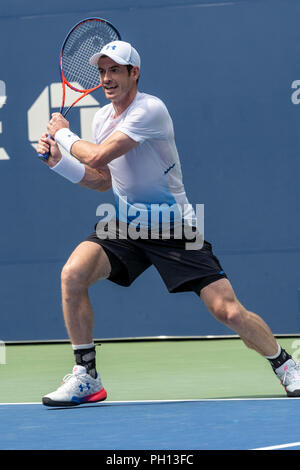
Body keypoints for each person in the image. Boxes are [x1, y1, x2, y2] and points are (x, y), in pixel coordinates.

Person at [37, 40, 300, 407]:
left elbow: (95, 153)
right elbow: (101, 179)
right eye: (102, 72)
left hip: (175, 228)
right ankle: (87, 377)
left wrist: (62, 134)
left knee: (226, 310)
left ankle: (285, 365)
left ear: (134, 73)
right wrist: (57, 162)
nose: (107, 79)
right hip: (126, 226)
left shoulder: (151, 110)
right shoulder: (101, 118)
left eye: (115, 70)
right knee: (72, 274)